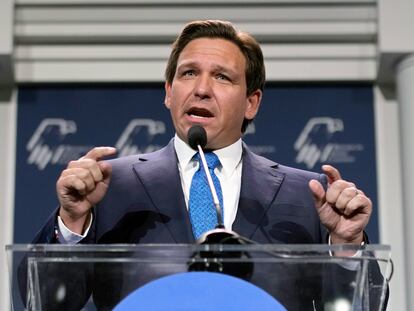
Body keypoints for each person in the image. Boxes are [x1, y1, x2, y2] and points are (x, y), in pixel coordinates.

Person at [28, 20, 381, 310]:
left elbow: (363, 306)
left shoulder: (308, 195)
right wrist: (72, 221)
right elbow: (40, 304)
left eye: (222, 77)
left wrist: (347, 247)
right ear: (169, 92)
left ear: (251, 102)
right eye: (188, 73)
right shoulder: (109, 185)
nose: (201, 89)